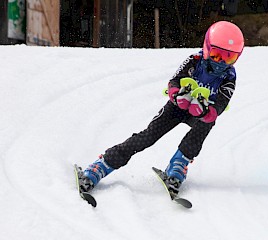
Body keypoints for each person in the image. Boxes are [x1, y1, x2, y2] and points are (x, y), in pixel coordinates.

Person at [76, 21, 244, 196]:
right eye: (217, 55)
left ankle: (180, 162)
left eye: (229, 58)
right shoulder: (195, 61)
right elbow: (173, 82)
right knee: (147, 137)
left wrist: (205, 112)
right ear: (207, 48)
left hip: (199, 112)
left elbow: (220, 106)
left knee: (205, 125)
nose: (221, 63)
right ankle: (102, 165)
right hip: (177, 108)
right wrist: (178, 95)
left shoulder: (229, 76)